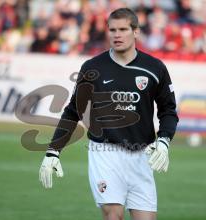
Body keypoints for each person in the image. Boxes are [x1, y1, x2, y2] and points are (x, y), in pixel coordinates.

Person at [39, 8, 178, 220]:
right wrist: (53, 151)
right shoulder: (93, 67)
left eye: (123, 29)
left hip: (141, 155)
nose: (117, 35)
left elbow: (168, 110)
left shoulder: (154, 68)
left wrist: (165, 140)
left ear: (136, 32)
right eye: (112, 30)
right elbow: (72, 111)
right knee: (113, 215)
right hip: (104, 152)